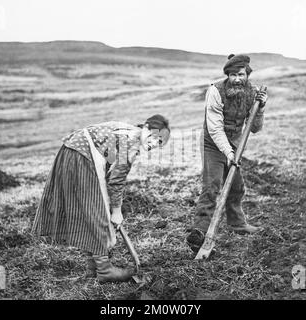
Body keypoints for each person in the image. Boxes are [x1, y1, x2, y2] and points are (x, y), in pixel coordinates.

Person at [32, 114, 170, 282]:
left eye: (160, 143)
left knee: (89, 211)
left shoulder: (128, 131)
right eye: (156, 137)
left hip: (71, 154)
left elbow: (109, 172)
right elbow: (116, 181)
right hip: (81, 158)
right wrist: (116, 212)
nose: (155, 143)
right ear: (147, 127)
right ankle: (104, 270)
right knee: (98, 211)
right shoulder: (132, 142)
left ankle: (94, 267)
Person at [187, 54, 268, 254]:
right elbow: (215, 129)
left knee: (236, 186)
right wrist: (229, 153)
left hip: (235, 144)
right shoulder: (215, 91)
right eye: (232, 75)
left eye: (240, 74)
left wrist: (260, 109)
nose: (237, 79)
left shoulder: (253, 93)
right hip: (213, 144)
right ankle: (200, 231)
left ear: (247, 74)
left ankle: (237, 223)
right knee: (211, 186)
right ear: (227, 75)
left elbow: (255, 128)